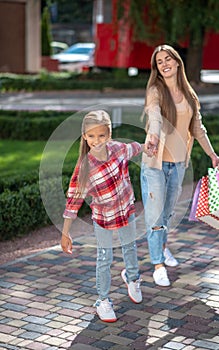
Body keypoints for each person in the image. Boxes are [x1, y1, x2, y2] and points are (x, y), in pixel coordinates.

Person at [140, 44, 219, 287]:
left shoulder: (189, 95)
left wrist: (212, 154)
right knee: (155, 215)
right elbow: (154, 116)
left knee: (166, 213)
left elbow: (197, 129)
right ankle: (157, 265)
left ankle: (163, 248)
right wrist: (153, 136)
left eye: (168, 59)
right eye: (159, 62)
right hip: (154, 164)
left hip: (177, 164)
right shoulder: (155, 90)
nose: (164, 64)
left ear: (177, 62)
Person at [61, 110, 151, 322]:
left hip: (126, 210)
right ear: (84, 136)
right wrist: (65, 233)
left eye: (101, 136)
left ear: (109, 135)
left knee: (130, 246)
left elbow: (134, 148)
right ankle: (103, 300)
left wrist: (148, 146)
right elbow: (73, 201)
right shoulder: (84, 168)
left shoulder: (118, 149)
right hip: (103, 218)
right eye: (91, 136)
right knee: (105, 257)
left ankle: (132, 278)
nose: (96, 141)